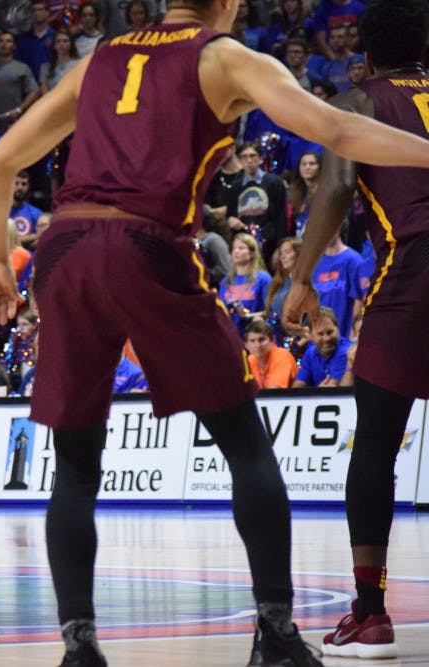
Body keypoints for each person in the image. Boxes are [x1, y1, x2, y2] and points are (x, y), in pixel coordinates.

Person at [0, 0, 429, 663]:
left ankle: (79, 645)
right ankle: (274, 634)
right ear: (226, 4)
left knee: (73, 468)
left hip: (65, 248)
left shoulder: (98, 58)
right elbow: (336, 129)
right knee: (246, 445)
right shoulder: (222, 56)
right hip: (148, 242)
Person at [283, 2, 428, 657]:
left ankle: (370, 614)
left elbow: (336, 187)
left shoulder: (358, 102)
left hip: (415, 267)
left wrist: (301, 275)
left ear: (362, 51)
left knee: (373, 442)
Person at [0, 31, 41, 150]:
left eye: (8, 41)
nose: (4, 44)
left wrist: (19, 109)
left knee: (18, 164)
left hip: (17, 126)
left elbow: (34, 92)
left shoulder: (22, 68)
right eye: (1, 41)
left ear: (14, 46)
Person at [219, 233, 272, 335]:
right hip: (229, 335)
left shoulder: (263, 279)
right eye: (234, 248)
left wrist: (246, 315)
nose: (236, 251)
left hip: (254, 336)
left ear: (252, 253)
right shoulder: (225, 281)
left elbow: (270, 312)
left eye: (241, 248)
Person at [291, 307, 352, 387]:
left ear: (338, 328)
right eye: (320, 334)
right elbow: (297, 388)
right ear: (310, 335)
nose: (326, 338)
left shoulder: (346, 351)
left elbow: (332, 391)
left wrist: (316, 393)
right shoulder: (310, 353)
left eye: (330, 332)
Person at [244, 318, 297, 388]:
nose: (257, 345)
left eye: (262, 340)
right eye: (252, 341)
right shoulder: (250, 360)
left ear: (273, 340)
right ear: (246, 345)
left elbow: (274, 392)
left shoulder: (282, 355)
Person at [287, 151, 321, 236]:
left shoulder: (325, 192)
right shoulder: (292, 192)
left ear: (320, 167)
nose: (307, 167)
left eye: (312, 164)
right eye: (303, 164)